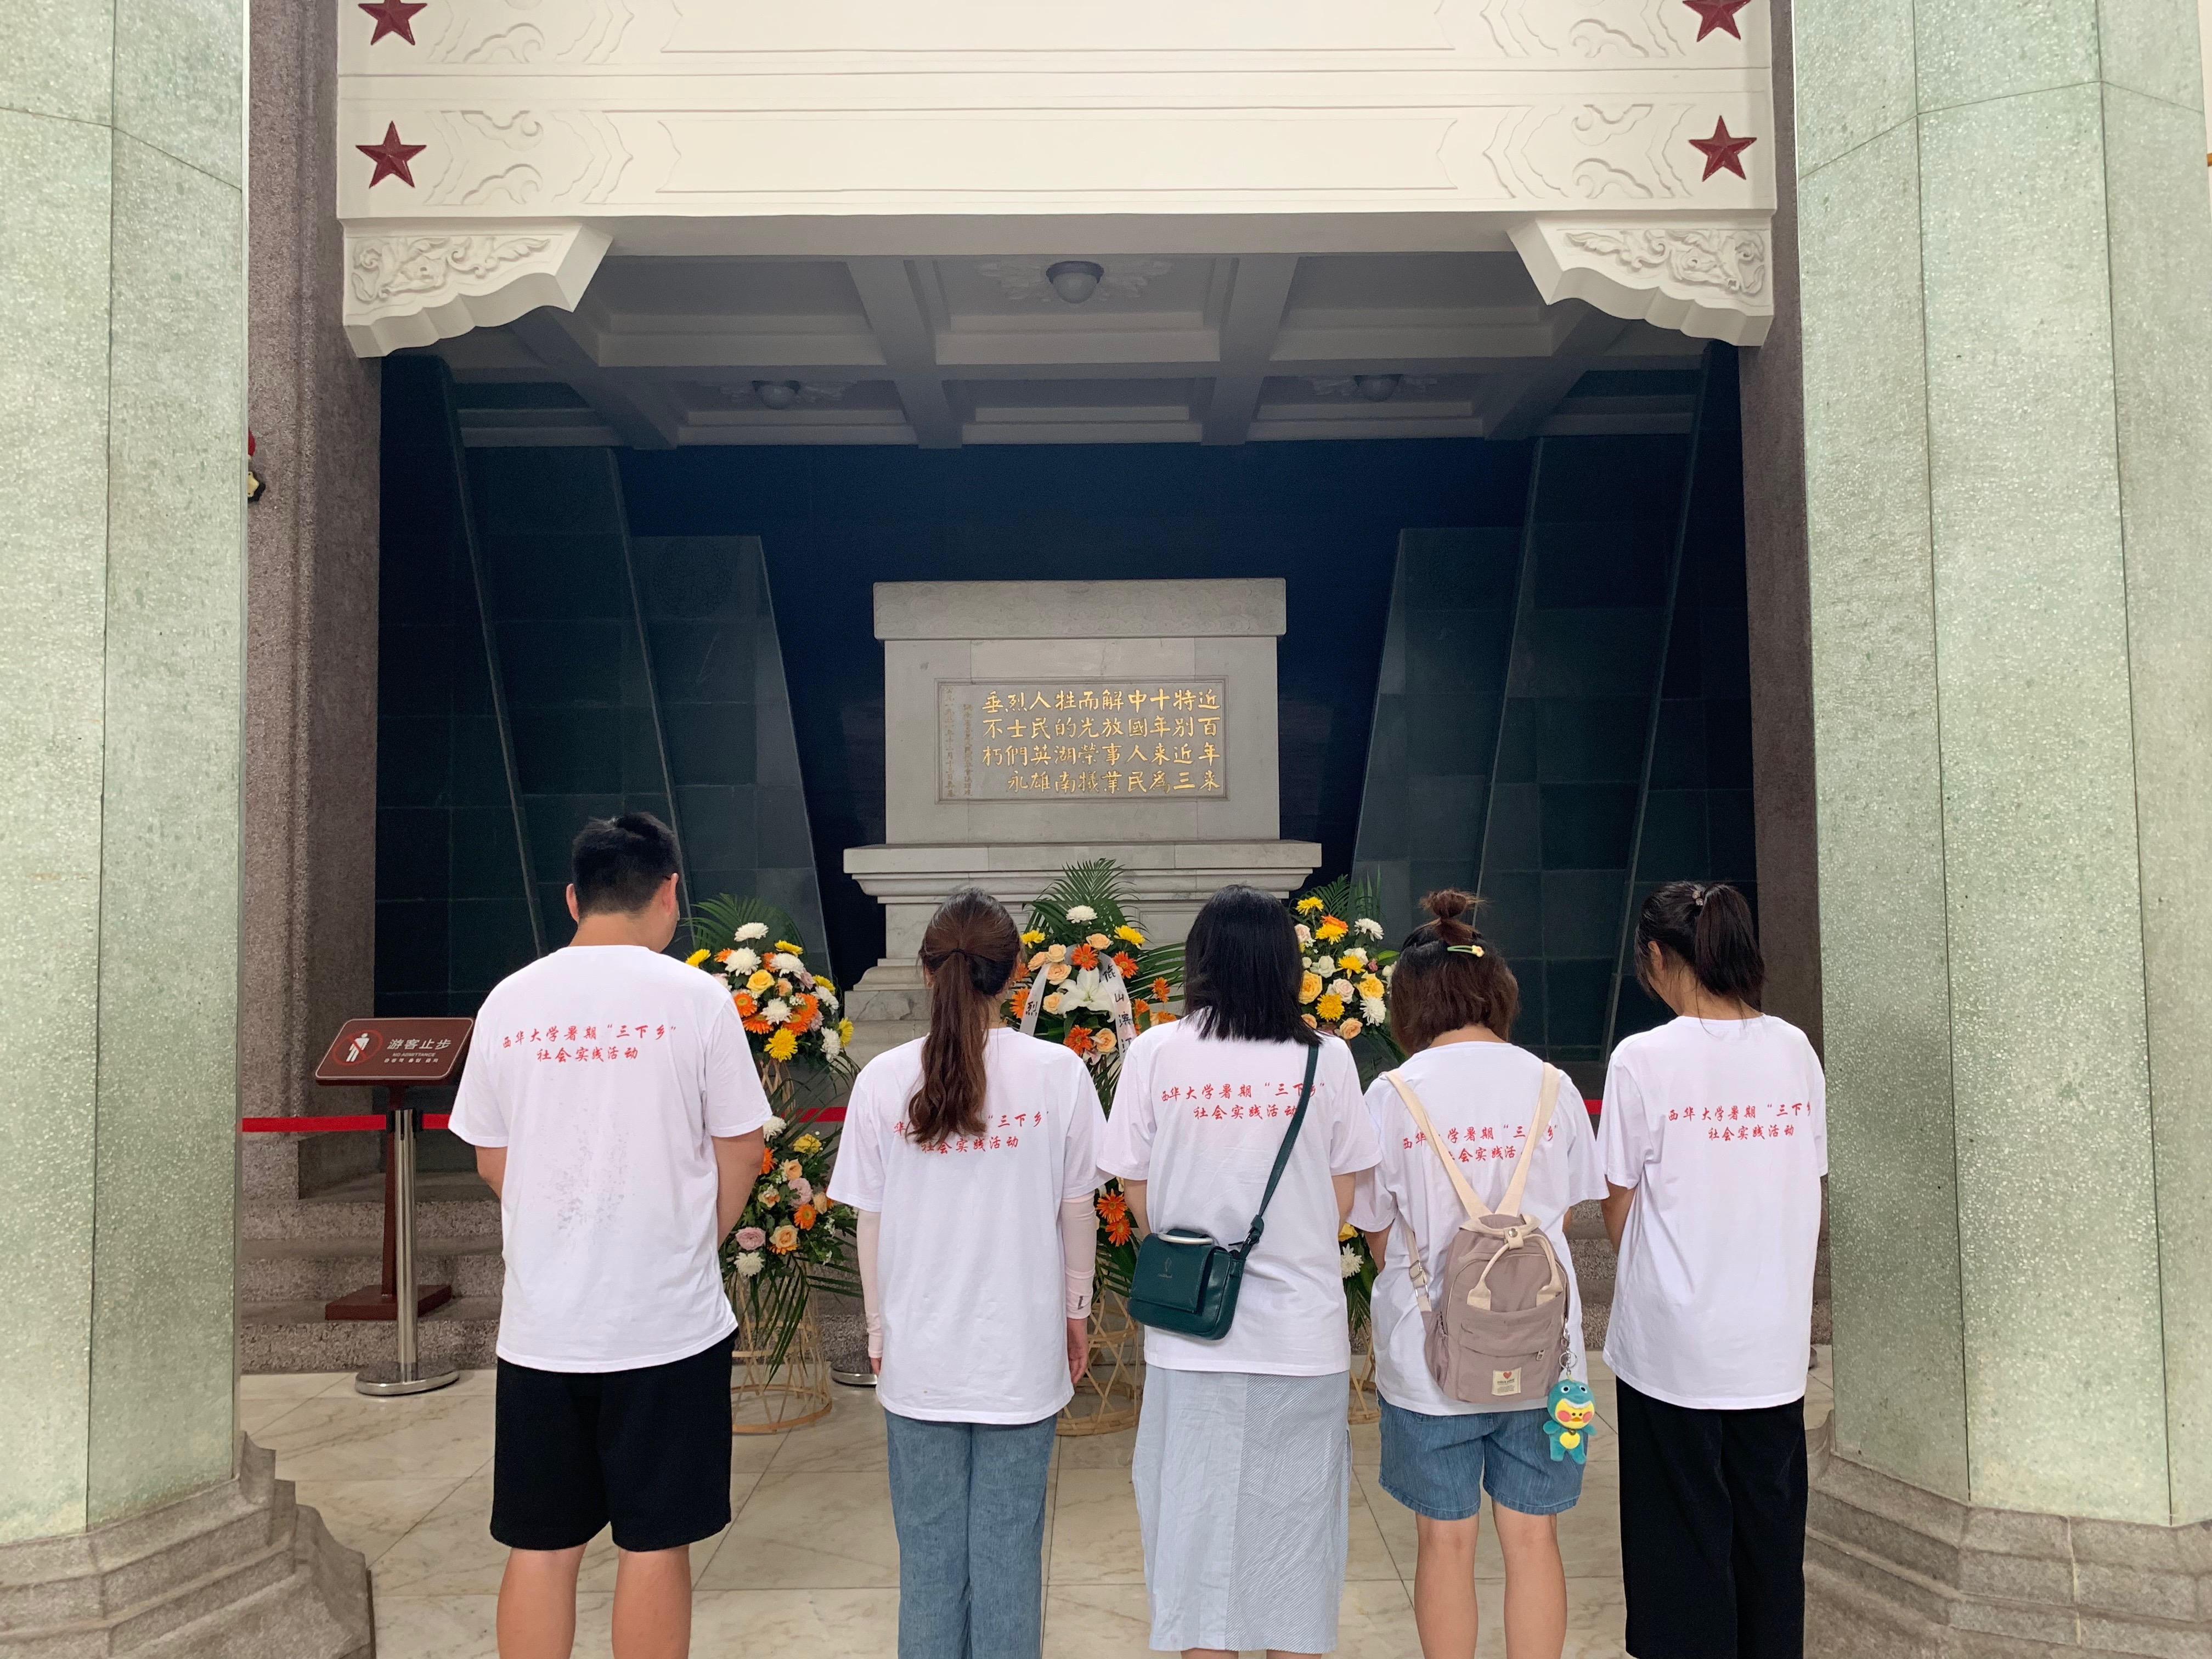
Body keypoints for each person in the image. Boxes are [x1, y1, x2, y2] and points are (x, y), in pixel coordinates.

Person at [447, 813, 770, 1659]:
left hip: (544, 1327)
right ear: (669, 893)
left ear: (573, 900)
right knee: (655, 1543)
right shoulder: (696, 999)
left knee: (542, 1544)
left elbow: (491, 1155)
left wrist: (563, 1228)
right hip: (665, 1323)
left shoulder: (510, 999)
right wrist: (689, 1241)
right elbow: (743, 1148)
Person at [1101, 884, 1382, 1659]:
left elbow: (1135, 1188)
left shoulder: (1157, 1053)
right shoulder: (1327, 1058)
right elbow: (1342, 1197)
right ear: (1287, 966)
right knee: (1295, 1544)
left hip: (1190, 1333)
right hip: (1301, 1336)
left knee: (1192, 1536)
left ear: (1200, 964)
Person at [826, 888, 1105, 1659]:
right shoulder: (1058, 1073)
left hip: (919, 1354)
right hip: (1022, 1351)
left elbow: (870, 1221)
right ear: (1015, 973)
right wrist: (1075, 1312)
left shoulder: (884, 1078)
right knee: (1010, 1554)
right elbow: (1077, 1210)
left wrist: (878, 1332)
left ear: (927, 971)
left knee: (928, 1559)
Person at [1350, 890, 1606, 1659]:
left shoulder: (1393, 1096)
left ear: (1409, 1002)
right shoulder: (1553, 1086)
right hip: (1546, 1354)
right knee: (1534, 1539)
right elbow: (1561, 1221)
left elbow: (1377, 1233)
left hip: (1428, 1359)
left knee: (1445, 1542)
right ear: (1498, 992)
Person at [1598, 881, 1827, 1659]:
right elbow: (1806, 1179)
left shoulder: (1643, 1059)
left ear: (1658, 957)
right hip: (1771, 1343)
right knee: (1770, 1543)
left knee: (1681, 1547)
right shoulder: (1793, 1049)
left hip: (1674, 1349)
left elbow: (1619, 1205)